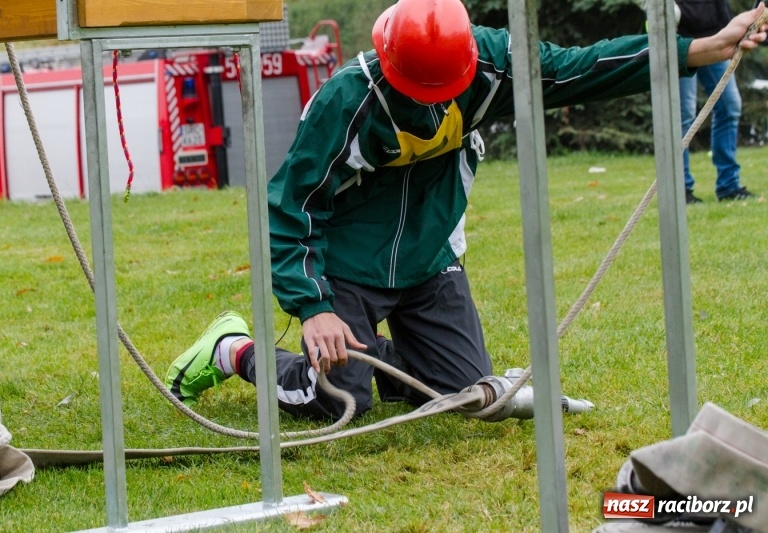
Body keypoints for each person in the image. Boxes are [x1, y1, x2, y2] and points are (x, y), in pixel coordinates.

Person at [165, 0, 768, 420]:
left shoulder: (490, 63)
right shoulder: (344, 101)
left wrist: (702, 48)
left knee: (459, 394)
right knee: (338, 403)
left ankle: (379, 356)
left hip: (431, 262)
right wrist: (314, 306)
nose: (431, 105)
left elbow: (583, 69)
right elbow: (290, 204)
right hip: (346, 266)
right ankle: (233, 349)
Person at [676, 0, 758, 203]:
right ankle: (680, 190)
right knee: (682, 114)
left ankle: (729, 186)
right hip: (679, 42)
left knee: (730, 106)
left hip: (715, 36)